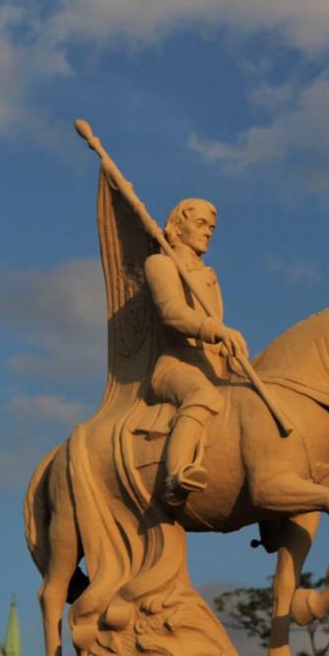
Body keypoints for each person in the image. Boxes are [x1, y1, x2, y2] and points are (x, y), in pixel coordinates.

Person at [144, 198, 249, 505]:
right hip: (175, 364)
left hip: (213, 364)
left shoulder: (208, 275)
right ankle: (176, 475)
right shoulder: (161, 264)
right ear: (177, 227)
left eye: (211, 227)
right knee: (202, 395)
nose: (208, 232)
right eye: (201, 224)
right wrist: (215, 330)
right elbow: (172, 312)